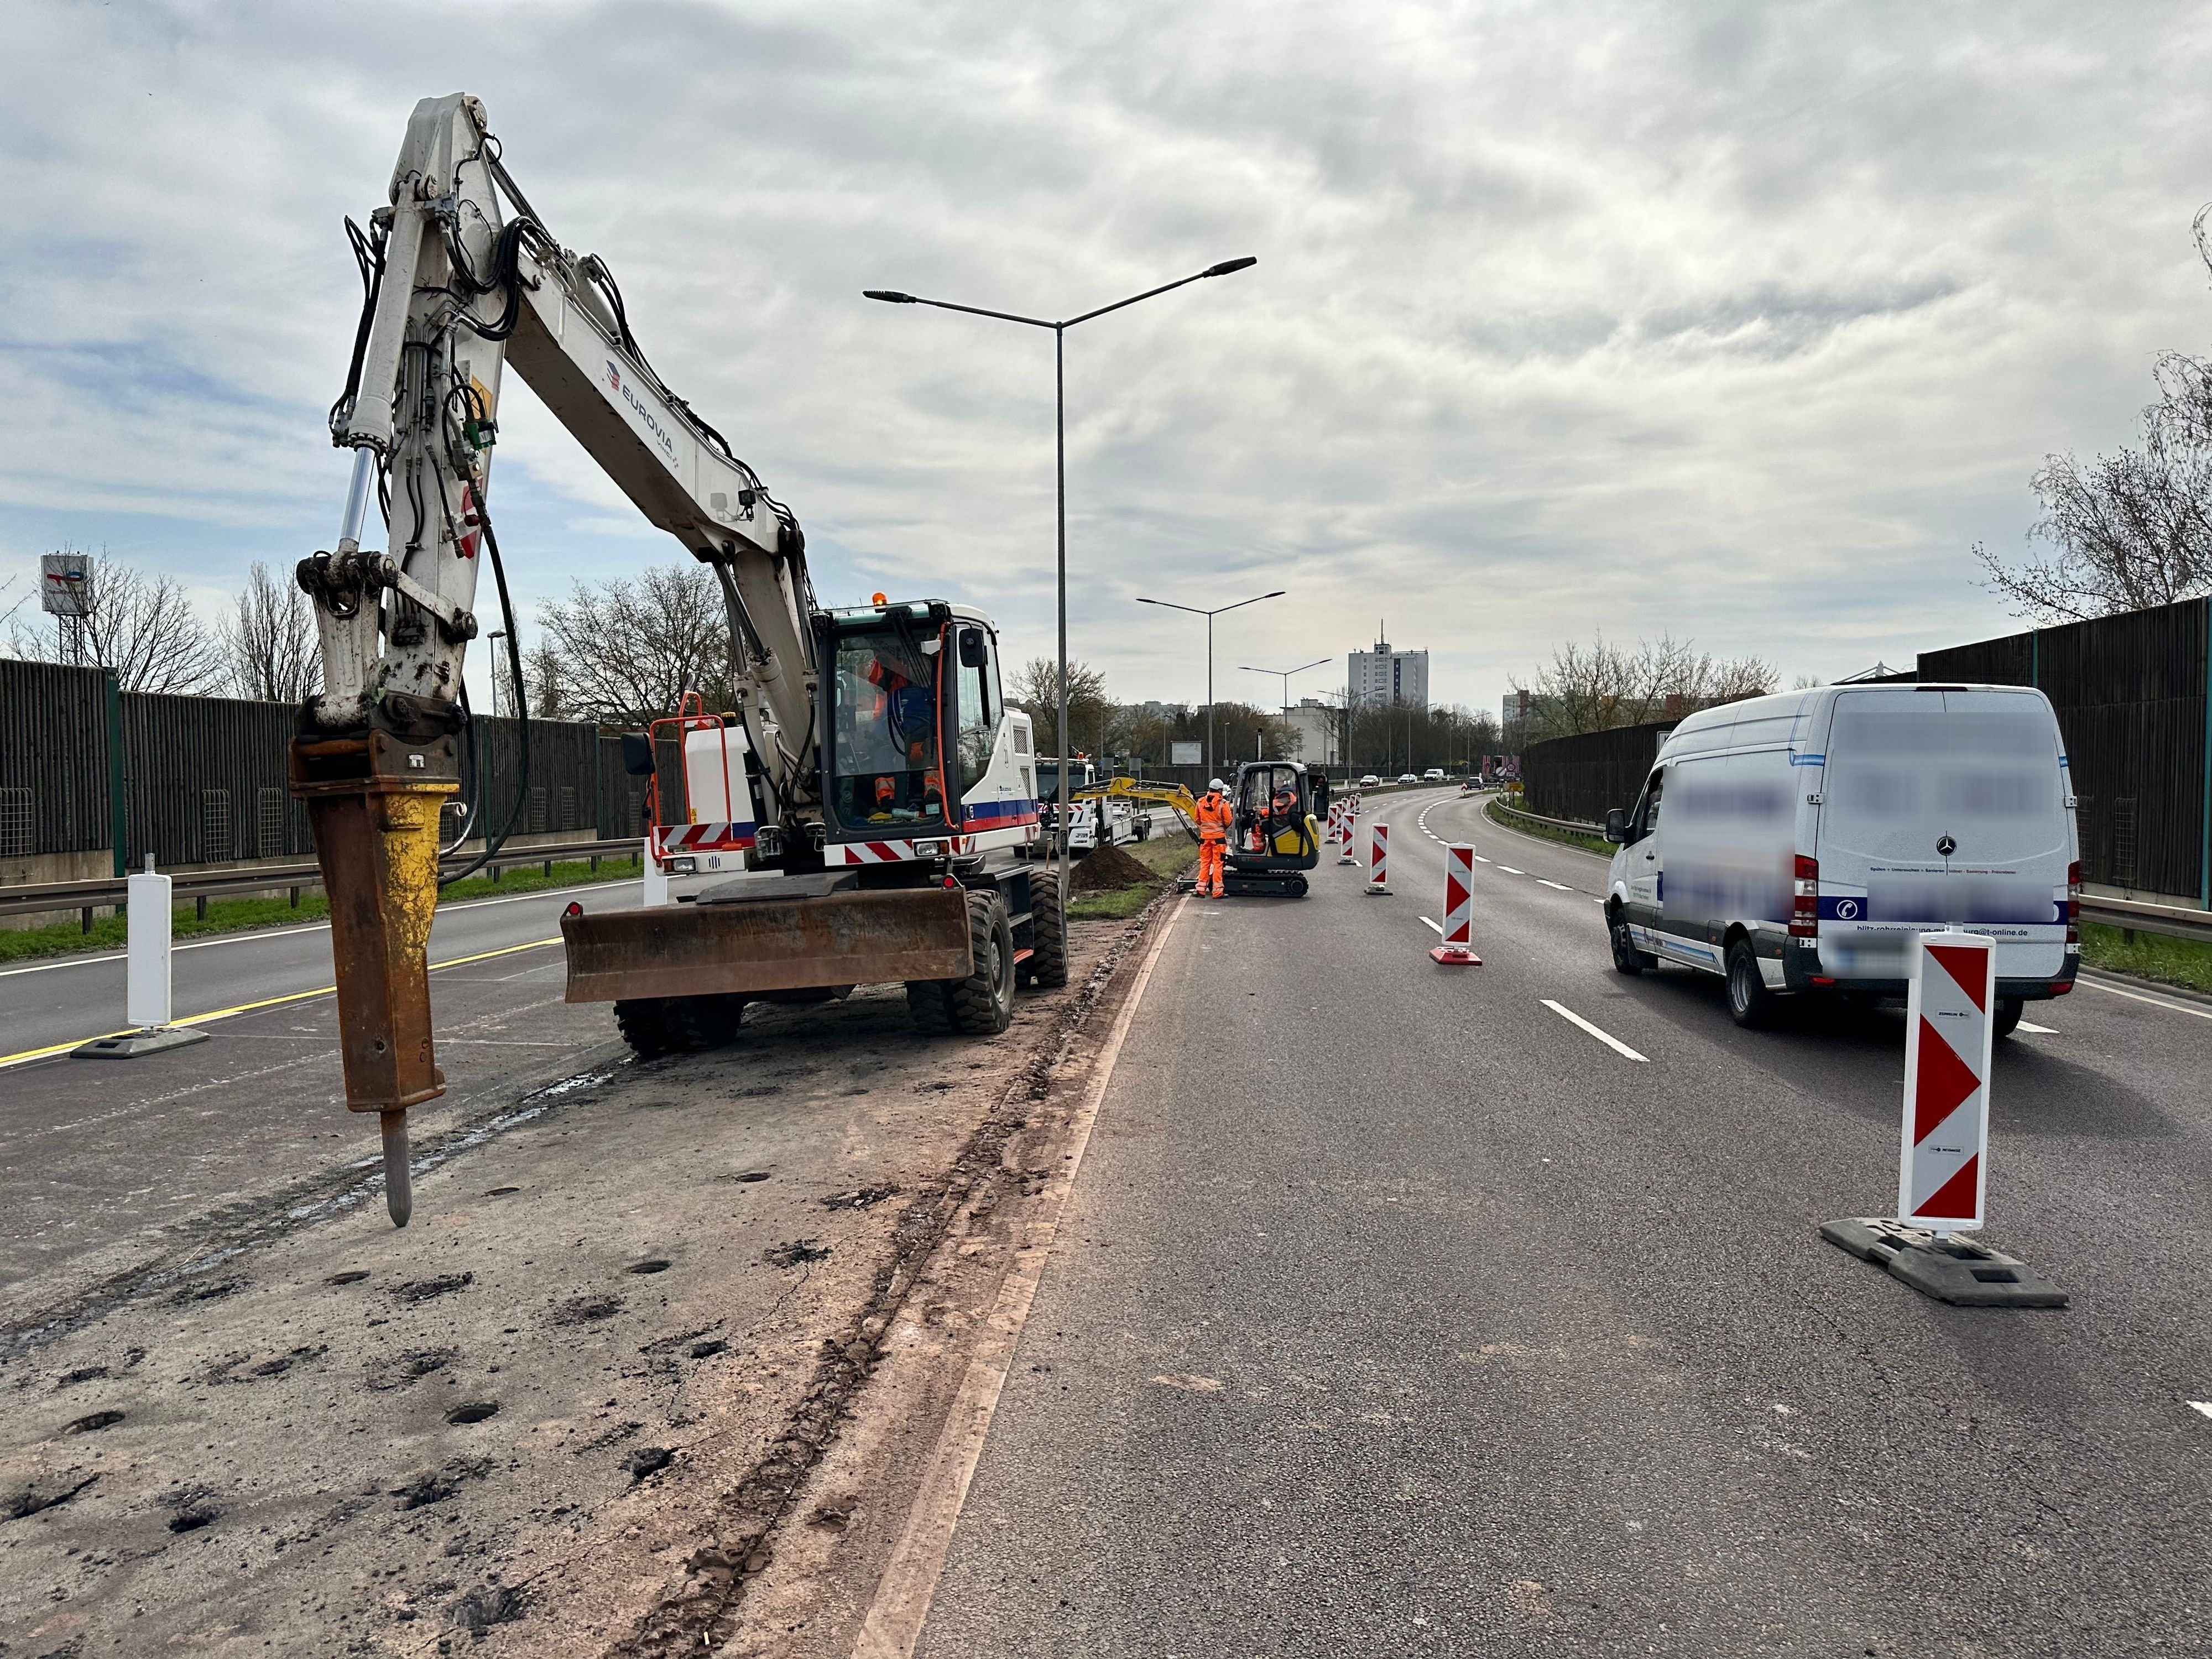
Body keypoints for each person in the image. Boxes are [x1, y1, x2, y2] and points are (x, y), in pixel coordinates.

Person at [1194, 777, 1234, 898]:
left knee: (1205, 863)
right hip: (1218, 840)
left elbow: (1197, 819)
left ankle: (1201, 890)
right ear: (1220, 790)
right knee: (1218, 864)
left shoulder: (1201, 802)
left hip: (1205, 839)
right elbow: (1228, 821)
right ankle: (1217, 892)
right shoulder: (1223, 804)